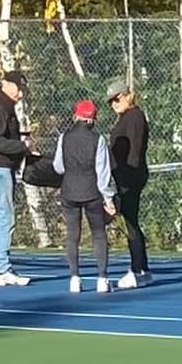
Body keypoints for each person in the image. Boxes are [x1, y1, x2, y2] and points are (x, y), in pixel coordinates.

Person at [52, 97, 117, 293]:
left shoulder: (64, 137)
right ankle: (102, 279)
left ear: (76, 116)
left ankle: (74, 278)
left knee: (72, 235)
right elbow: (102, 171)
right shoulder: (98, 139)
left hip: (69, 191)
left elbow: (58, 167)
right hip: (92, 192)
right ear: (93, 118)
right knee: (98, 234)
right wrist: (108, 198)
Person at [0, 66, 34, 286]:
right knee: (5, 216)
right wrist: (22, 146)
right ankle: (1, 268)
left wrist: (23, 140)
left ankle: (1, 266)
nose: (21, 94)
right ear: (8, 85)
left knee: (5, 215)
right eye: (19, 89)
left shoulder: (6, 106)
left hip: (4, 167)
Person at [106, 82, 153, 288]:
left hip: (130, 176)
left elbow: (134, 148)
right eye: (111, 102)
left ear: (127, 96)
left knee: (130, 222)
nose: (114, 104)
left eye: (117, 99)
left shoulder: (134, 117)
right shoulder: (125, 118)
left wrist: (128, 176)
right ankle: (142, 268)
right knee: (131, 221)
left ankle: (136, 270)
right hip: (124, 175)